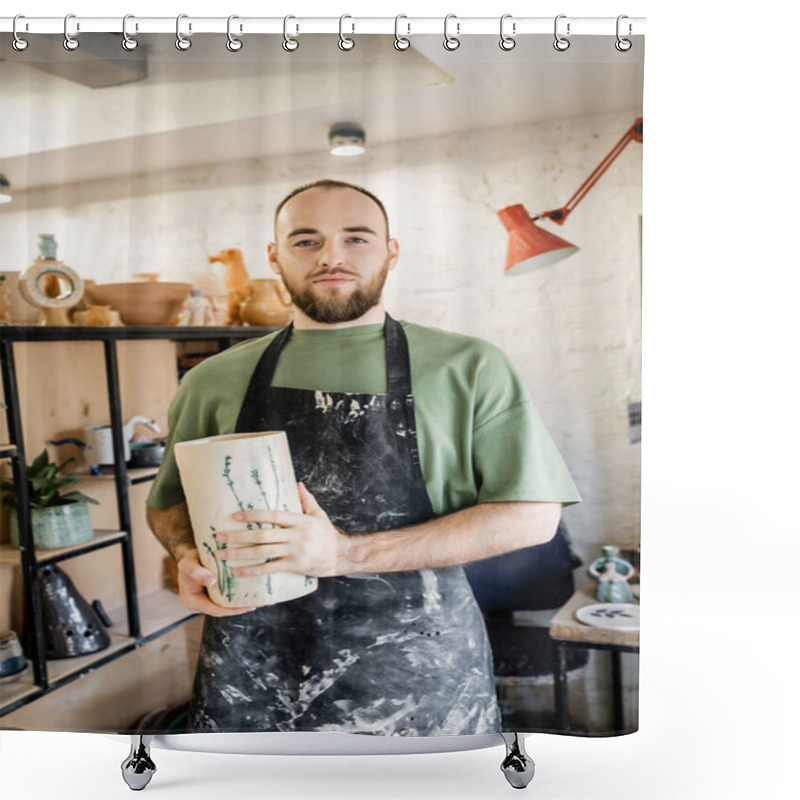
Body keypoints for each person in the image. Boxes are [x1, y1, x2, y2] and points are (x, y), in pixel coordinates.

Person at [145, 178, 581, 736]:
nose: (331, 256)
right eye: (306, 241)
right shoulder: (212, 380)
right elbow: (169, 505)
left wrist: (343, 555)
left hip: (420, 682)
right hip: (250, 680)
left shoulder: (468, 367)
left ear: (391, 252)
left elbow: (532, 515)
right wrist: (186, 555)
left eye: (357, 238)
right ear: (274, 257)